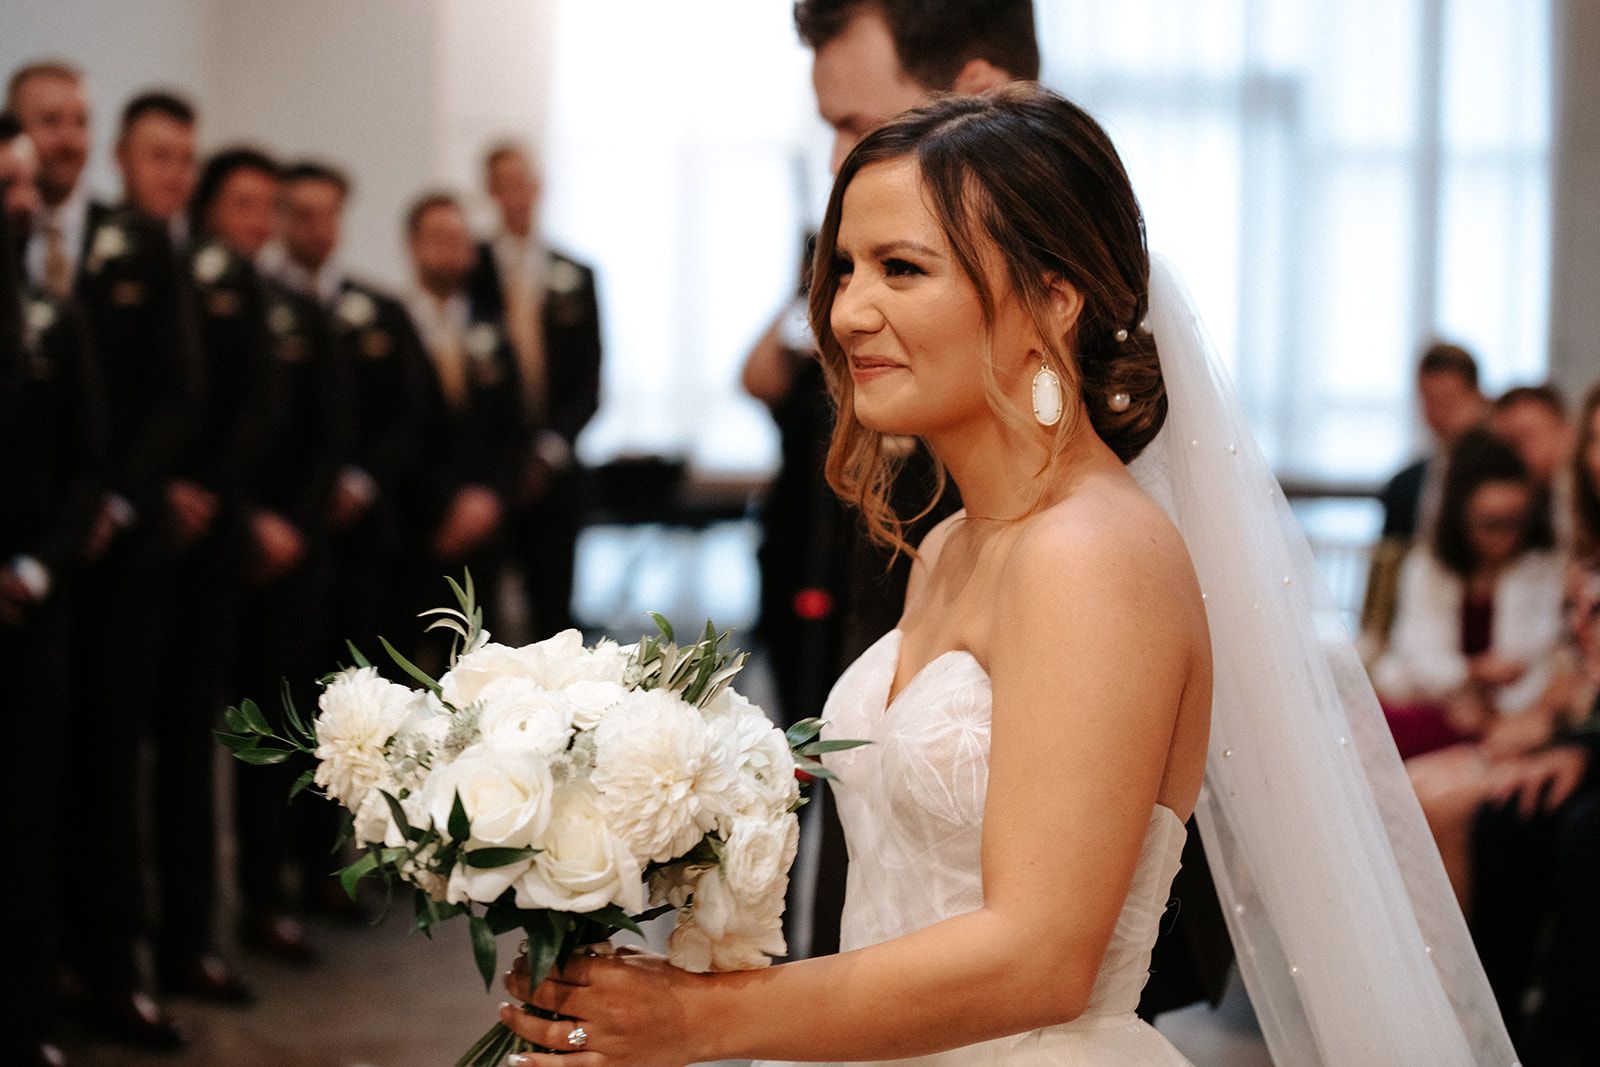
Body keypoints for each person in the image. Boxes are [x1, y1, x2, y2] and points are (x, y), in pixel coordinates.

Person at [491, 87, 1515, 1066]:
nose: (847, 312)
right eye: (844, 267)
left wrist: (701, 1017)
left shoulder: (1095, 552)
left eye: (900, 268)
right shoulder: (950, 546)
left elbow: (1041, 954)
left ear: (1050, 299)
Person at [58, 87, 207, 1050]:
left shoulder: (146, 246)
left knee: (116, 758)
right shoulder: (36, 233)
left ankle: (114, 963)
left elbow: (177, 390)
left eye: (73, 119)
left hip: (122, 540)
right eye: (47, 120)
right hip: (39, 538)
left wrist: (113, 498)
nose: (61, 136)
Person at [199, 147, 347, 963]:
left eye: (268, 209)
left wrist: (286, 523)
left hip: (291, 550)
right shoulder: (195, 295)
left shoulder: (297, 307)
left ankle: (272, 892)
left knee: (281, 732)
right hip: (218, 544)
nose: (257, 224)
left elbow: (328, 435)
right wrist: (243, 516)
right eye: (244, 207)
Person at [0, 108, 103, 1067]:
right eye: (8, 190)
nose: (26, 205)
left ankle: (26, 1021)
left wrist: (34, 562)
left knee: (30, 821)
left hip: (34, 601)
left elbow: (86, 460)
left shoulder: (49, 314)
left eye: (27, 186)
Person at [273, 161, 429, 668]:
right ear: (282, 219)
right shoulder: (263, 304)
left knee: (367, 669)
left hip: (368, 523)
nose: (320, 229)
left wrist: (361, 481)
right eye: (305, 215)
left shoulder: (381, 309)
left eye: (330, 215)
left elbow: (409, 412)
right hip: (288, 519)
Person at [467, 141, 601, 639]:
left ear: (539, 185)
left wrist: (549, 449)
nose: (516, 193)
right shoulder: (471, 269)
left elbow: (590, 378)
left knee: (553, 616)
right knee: (480, 617)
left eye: (524, 180)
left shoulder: (576, 274)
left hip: (556, 467)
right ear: (491, 192)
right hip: (486, 470)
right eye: (504, 183)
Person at [400, 192, 524, 663]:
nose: (450, 250)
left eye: (459, 239)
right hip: (412, 527)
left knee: (479, 666)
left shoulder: (492, 330)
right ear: (413, 245)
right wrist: (439, 506)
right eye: (438, 238)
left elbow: (515, 428)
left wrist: (488, 498)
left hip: (481, 526)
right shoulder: (390, 322)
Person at [1491, 384, 1575, 549]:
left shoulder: (1582, 488)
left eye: (1525, 438)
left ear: (1566, 430)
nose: (1514, 456)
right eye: (1507, 446)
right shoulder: (1541, 497)